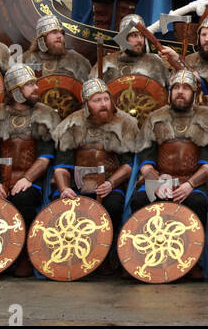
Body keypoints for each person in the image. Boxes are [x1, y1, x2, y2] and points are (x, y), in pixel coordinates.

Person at [0, 64, 57, 274]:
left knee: (22, 201)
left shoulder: (45, 116)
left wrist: (27, 179)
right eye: (29, 84)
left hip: (30, 178)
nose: (36, 87)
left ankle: (22, 253)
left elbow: (45, 157)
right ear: (16, 91)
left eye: (35, 83)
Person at [50, 78, 143, 267]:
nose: (103, 104)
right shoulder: (71, 124)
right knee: (63, 209)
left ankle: (108, 254)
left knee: (113, 206)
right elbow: (62, 166)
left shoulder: (125, 123)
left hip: (110, 185)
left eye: (106, 99)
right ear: (86, 105)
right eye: (97, 100)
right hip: (78, 185)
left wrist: (110, 183)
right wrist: (64, 189)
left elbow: (128, 165)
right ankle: (73, 256)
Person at [133, 70, 208, 226]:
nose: (180, 92)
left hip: (192, 182)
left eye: (186, 88)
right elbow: (146, 160)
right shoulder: (155, 118)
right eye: (176, 87)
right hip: (160, 179)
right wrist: (156, 183)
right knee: (139, 200)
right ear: (170, 92)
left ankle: (193, 249)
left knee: (197, 202)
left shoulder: (207, 118)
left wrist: (189, 185)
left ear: (194, 93)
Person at [102, 13, 172, 83]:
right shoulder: (106, 63)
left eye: (142, 36)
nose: (139, 40)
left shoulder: (156, 63)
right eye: (134, 36)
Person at [25, 14, 92, 81]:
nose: (60, 36)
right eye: (54, 32)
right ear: (42, 39)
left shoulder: (77, 60)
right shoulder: (28, 59)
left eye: (61, 33)